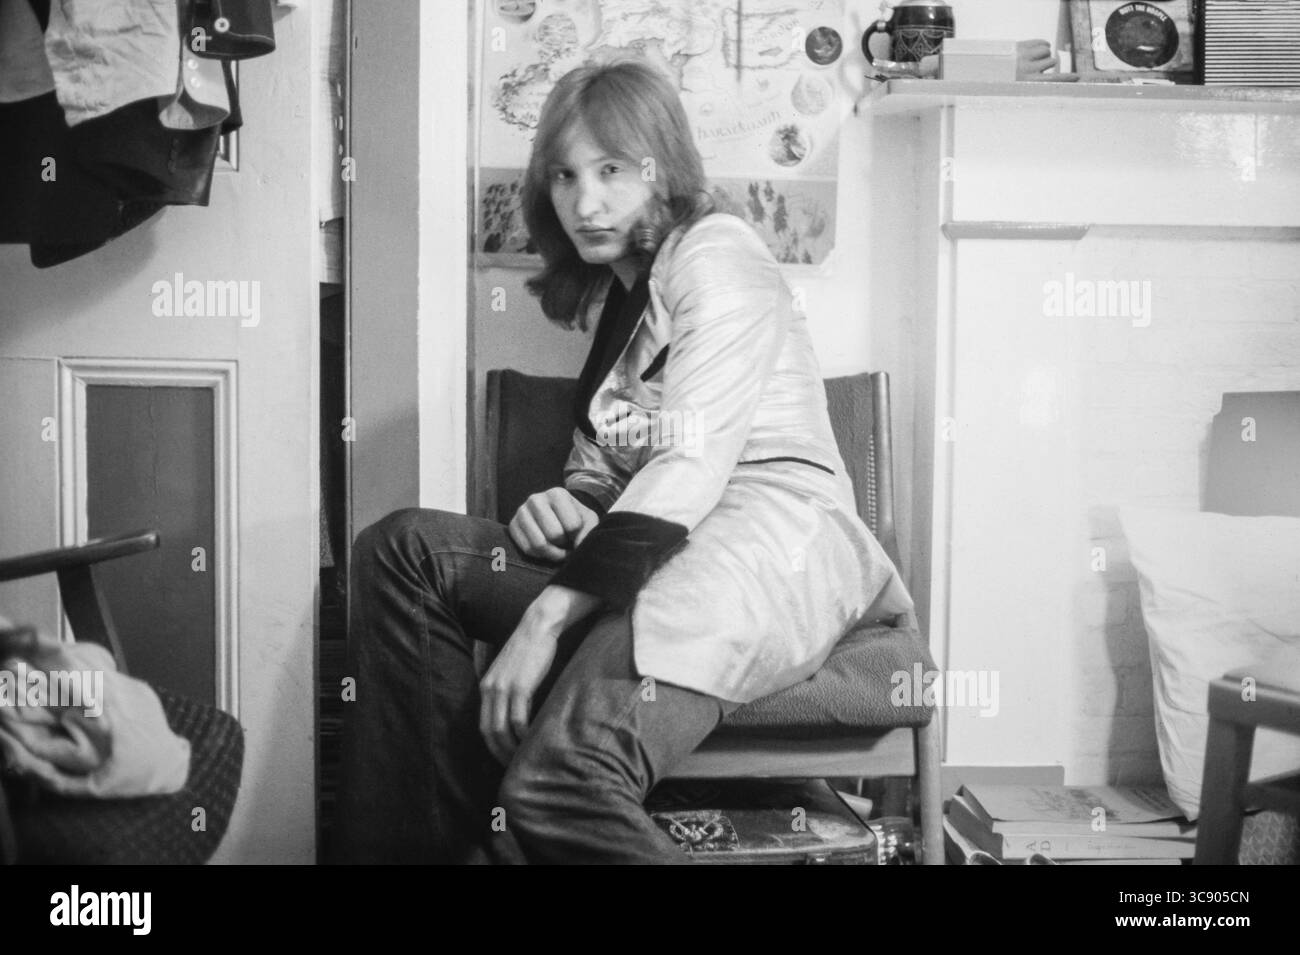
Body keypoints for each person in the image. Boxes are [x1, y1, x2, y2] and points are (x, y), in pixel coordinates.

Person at [330, 58, 915, 865]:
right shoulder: (619, 301)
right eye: (565, 176)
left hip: (765, 545)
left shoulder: (719, 253)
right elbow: (606, 468)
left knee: (559, 786)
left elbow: (692, 461)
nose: (585, 201)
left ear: (661, 167)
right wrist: (568, 499)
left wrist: (544, 620)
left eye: (610, 170)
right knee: (405, 552)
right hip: (658, 549)